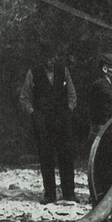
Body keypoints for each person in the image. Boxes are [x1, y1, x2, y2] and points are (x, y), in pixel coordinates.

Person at [19, 53, 78, 204]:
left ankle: (69, 193)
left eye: (52, 58)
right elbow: (25, 97)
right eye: (47, 58)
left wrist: (69, 109)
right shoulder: (34, 72)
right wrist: (34, 114)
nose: (50, 61)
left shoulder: (63, 71)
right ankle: (50, 194)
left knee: (66, 156)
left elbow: (72, 93)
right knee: (46, 157)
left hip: (62, 119)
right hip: (43, 122)